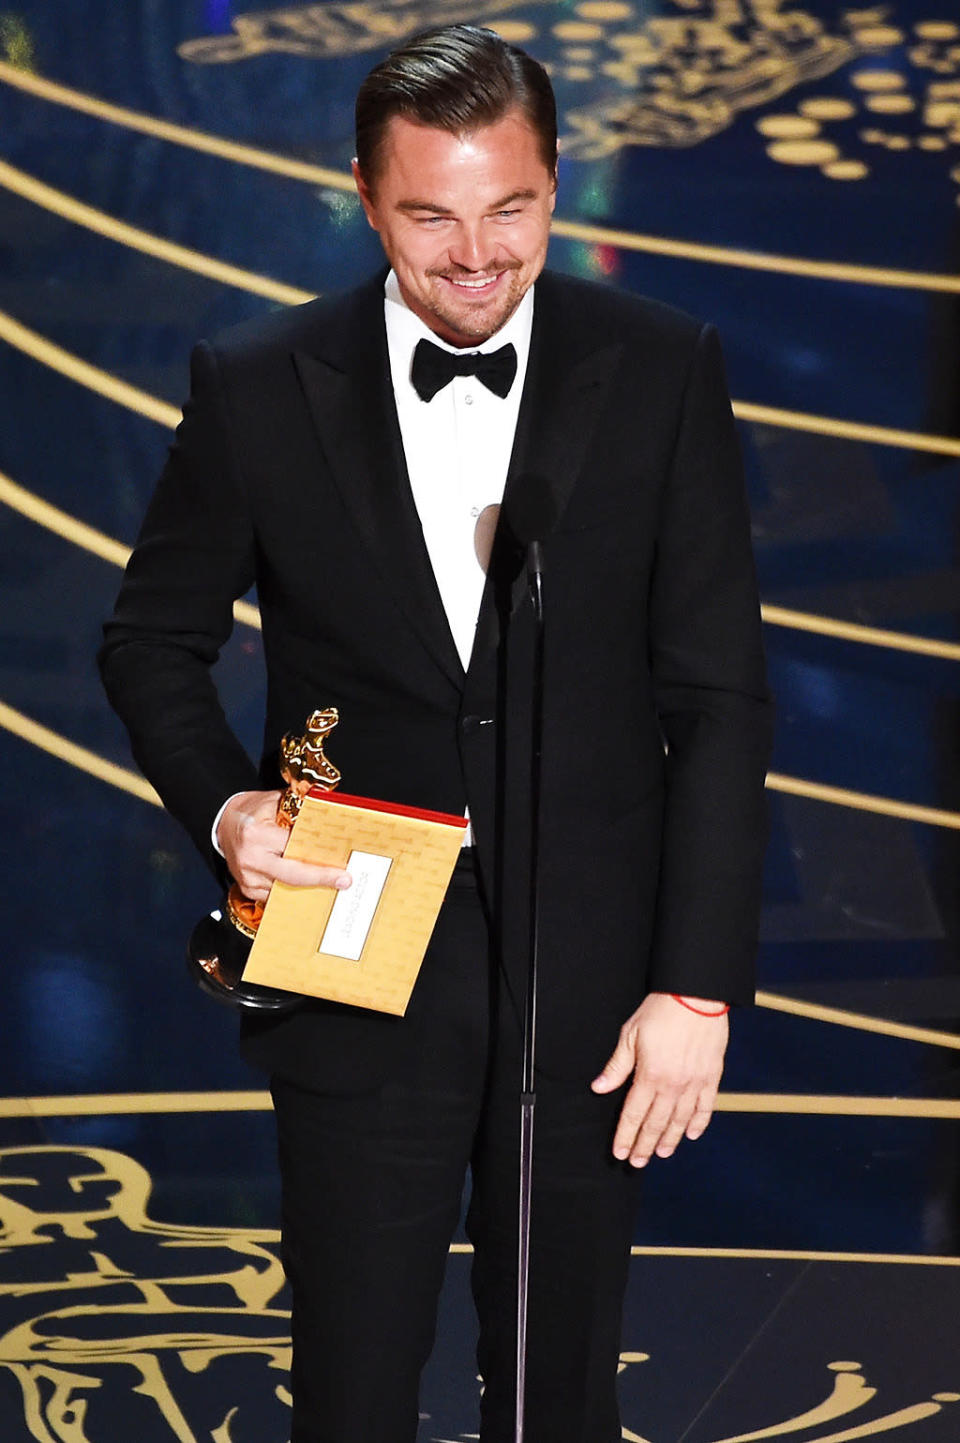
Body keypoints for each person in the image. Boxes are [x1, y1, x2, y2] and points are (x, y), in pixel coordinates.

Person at [100, 24, 773, 1443]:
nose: (476, 252)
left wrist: (694, 990)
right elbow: (148, 642)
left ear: (550, 182)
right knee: (350, 1388)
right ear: (364, 196)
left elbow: (714, 697)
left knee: (558, 1395)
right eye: (431, 214)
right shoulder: (259, 379)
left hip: (593, 987)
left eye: (510, 208)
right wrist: (228, 811)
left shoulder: (661, 369)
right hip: (349, 953)